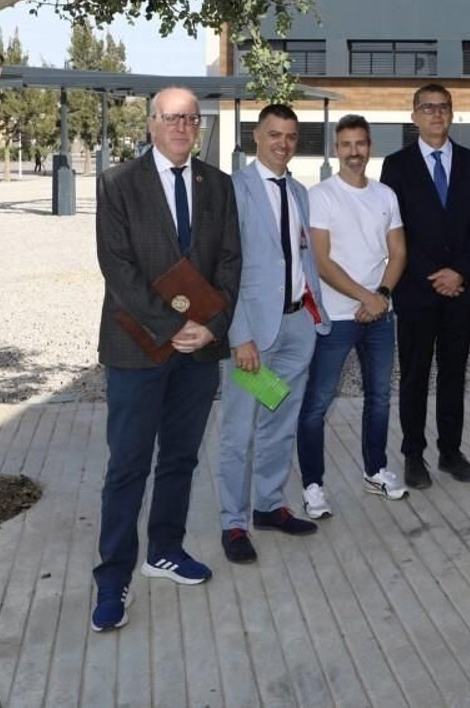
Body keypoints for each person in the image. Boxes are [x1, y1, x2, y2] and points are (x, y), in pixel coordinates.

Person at [91, 87, 240, 632]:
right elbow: (118, 267)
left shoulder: (217, 185)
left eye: (190, 118)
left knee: (180, 458)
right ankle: (112, 575)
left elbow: (230, 262)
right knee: (127, 465)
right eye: (171, 117)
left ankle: (165, 549)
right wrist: (175, 324)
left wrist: (211, 328)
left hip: (199, 352)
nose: (182, 126)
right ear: (151, 122)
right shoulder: (117, 183)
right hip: (137, 348)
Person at [217, 103, 331, 563]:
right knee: (238, 431)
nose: (283, 143)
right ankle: (233, 521)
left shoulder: (299, 192)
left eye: (290, 136)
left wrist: (313, 315)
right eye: (274, 135)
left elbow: (302, 257)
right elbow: (225, 269)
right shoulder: (235, 191)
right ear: (255, 138)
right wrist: (239, 334)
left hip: (295, 326)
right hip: (253, 337)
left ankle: (267, 505)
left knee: (280, 424)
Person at [297, 115, 410, 518]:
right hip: (336, 317)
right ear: (336, 148)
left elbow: (398, 252)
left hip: (380, 314)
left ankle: (375, 469)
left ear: (370, 146)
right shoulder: (321, 196)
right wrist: (367, 297)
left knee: (379, 398)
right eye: (346, 144)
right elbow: (322, 262)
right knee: (317, 403)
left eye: (360, 143)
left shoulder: (386, 195)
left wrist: (381, 296)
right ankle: (313, 484)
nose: (354, 152)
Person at [380, 83, 470, 489]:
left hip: (462, 288)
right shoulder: (396, 166)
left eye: (443, 108)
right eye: (428, 108)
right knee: (415, 374)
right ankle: (413, 455)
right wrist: (433, 274)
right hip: (416, 288)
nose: (436, 115)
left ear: (451, 113)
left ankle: (450, 452)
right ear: (414, 116)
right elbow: (396, 229)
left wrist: (458, 272)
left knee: (453, 373)